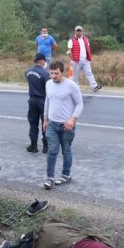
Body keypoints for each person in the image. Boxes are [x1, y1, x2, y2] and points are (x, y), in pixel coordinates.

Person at [42, 61, 83, 189]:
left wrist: (72, 119)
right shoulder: (48, 84)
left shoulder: (71, 85)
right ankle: (50, 178)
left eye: (56, 73)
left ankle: (66, 175)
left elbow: (79, 104)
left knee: (66, 150)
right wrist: (45, 119)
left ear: (62, 72)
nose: (53, 76)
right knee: (52, 150)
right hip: (52, 124)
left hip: (67, 126)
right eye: (51, 73)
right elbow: (47, 101)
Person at [65, 25, 102, 92]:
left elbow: (88, 47)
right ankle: (74, 88)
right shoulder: (71, 40)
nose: (79, 32)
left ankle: (94, 86)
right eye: (77, 31)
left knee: (89, 72)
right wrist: (72, 59)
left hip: (85, 59)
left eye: (80, 31)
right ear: (75, 31)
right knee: (75, 75)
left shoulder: (85, 38)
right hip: (76, 60)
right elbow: (69, 51)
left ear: (81, 31)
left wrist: (88, 56)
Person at [25, 53, 49, 153]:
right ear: (42, 61)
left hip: (32, 100)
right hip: (43, 101)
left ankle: (33, 146)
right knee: (45, 123)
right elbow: (48, 88)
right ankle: (46, 147)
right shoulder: (45, 74)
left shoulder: (27, 72)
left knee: (33, 123)